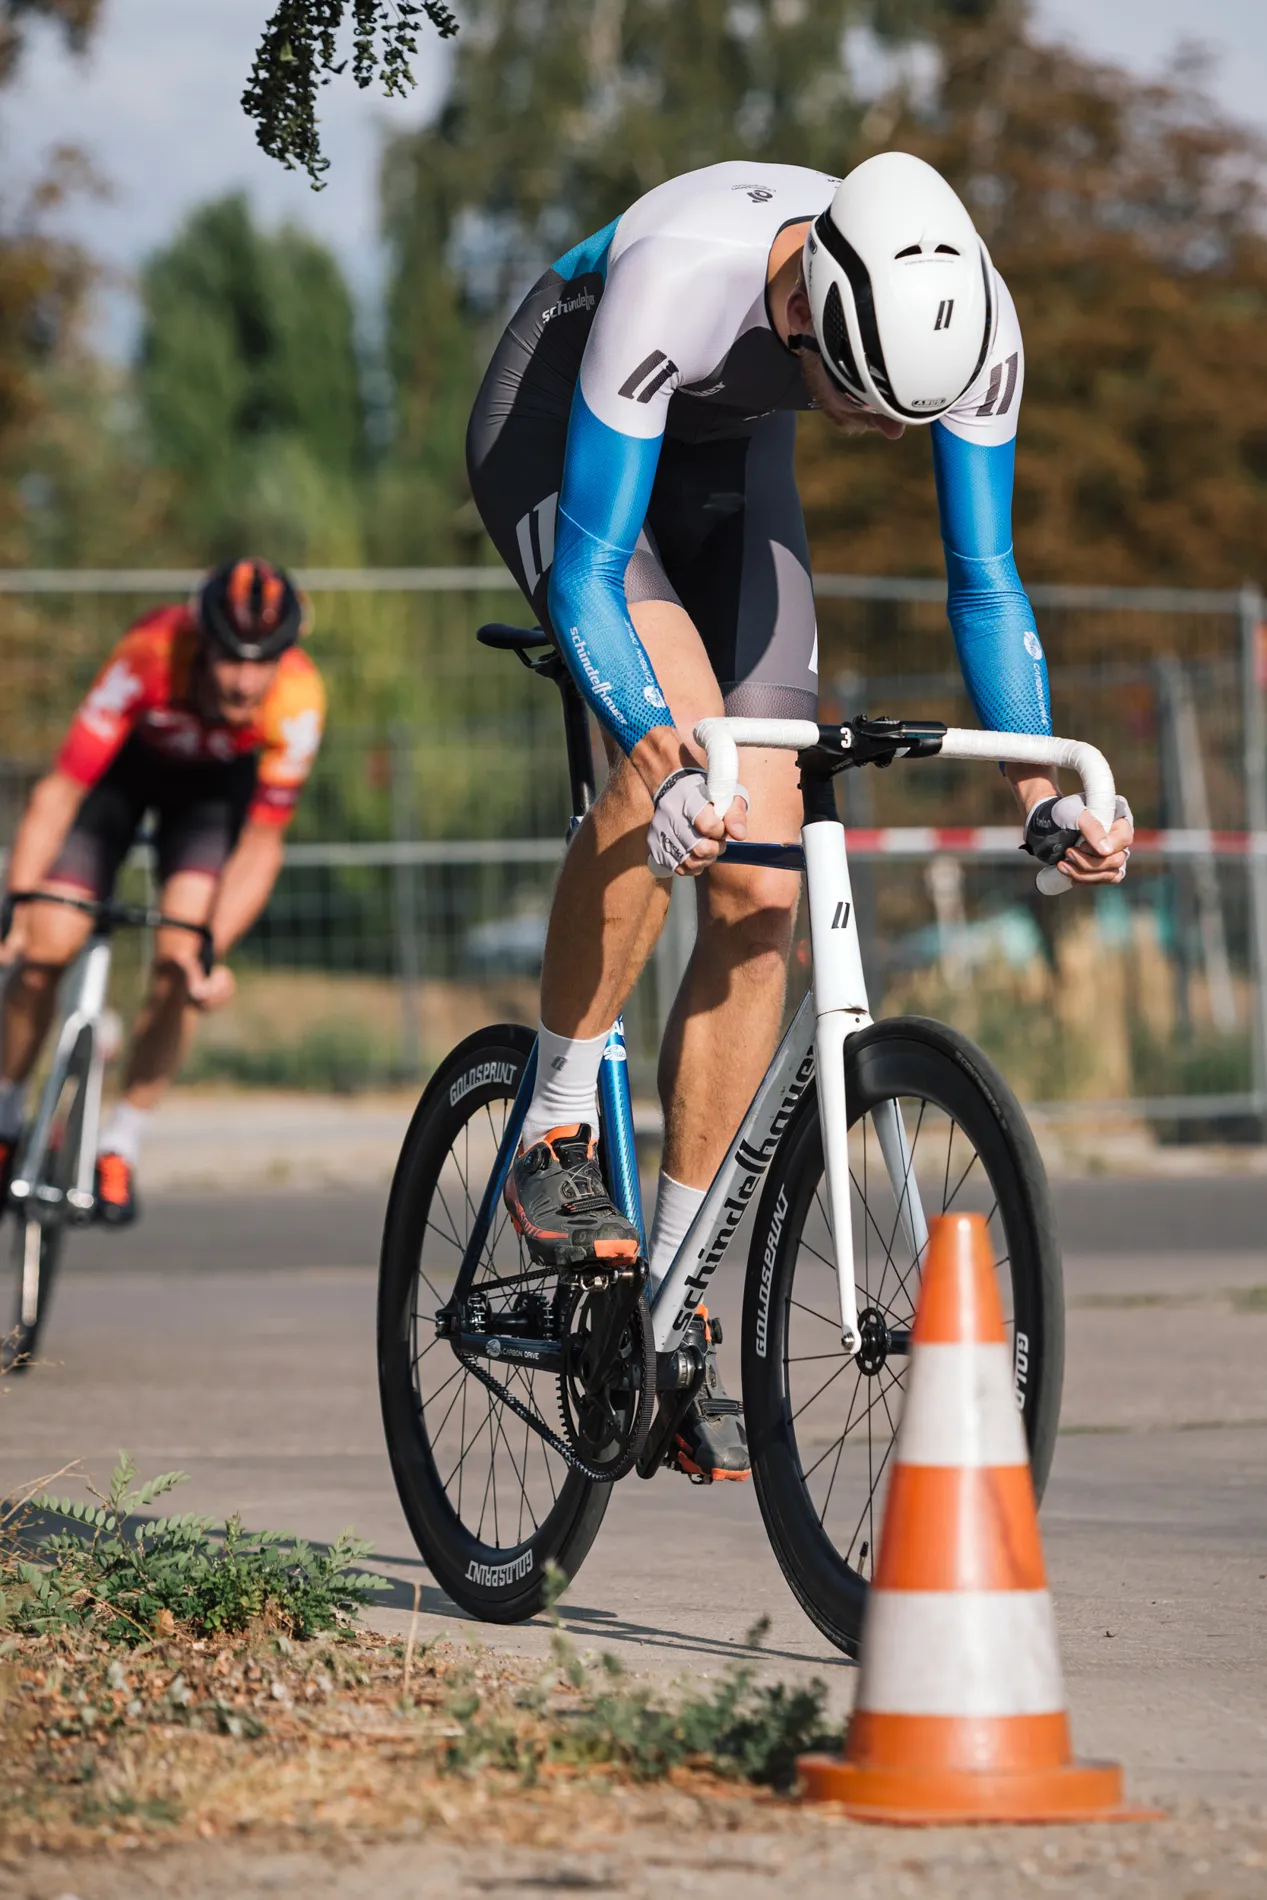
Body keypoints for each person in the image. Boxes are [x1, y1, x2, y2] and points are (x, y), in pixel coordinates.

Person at [466, 152, 1133, 1483]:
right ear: (802, 310)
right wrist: (661, 753)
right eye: (860, 404)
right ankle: (550, 1117)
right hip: (567, 425)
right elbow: (595, 572)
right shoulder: (682, 276)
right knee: (673, 753)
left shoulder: (971, 319)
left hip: (727, 457)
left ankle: (666, 1289)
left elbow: (985, 583)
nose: (883, 436)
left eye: (904, 419)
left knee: (760, 882)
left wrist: (1040, 791)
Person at [0, 559, 326, 1225]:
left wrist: (209, 949)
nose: (243, 678)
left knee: (180, 962)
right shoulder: (151, 652)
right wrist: (19, 905)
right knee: (41, 951)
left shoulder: (298, 699)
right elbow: (60, 792)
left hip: (208, 804)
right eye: (229, 657)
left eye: (261, 661)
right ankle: (5, 1113)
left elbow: (261, 846)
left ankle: (120, 1144)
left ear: (285, 656)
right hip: (123, 782)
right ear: (202, 642)